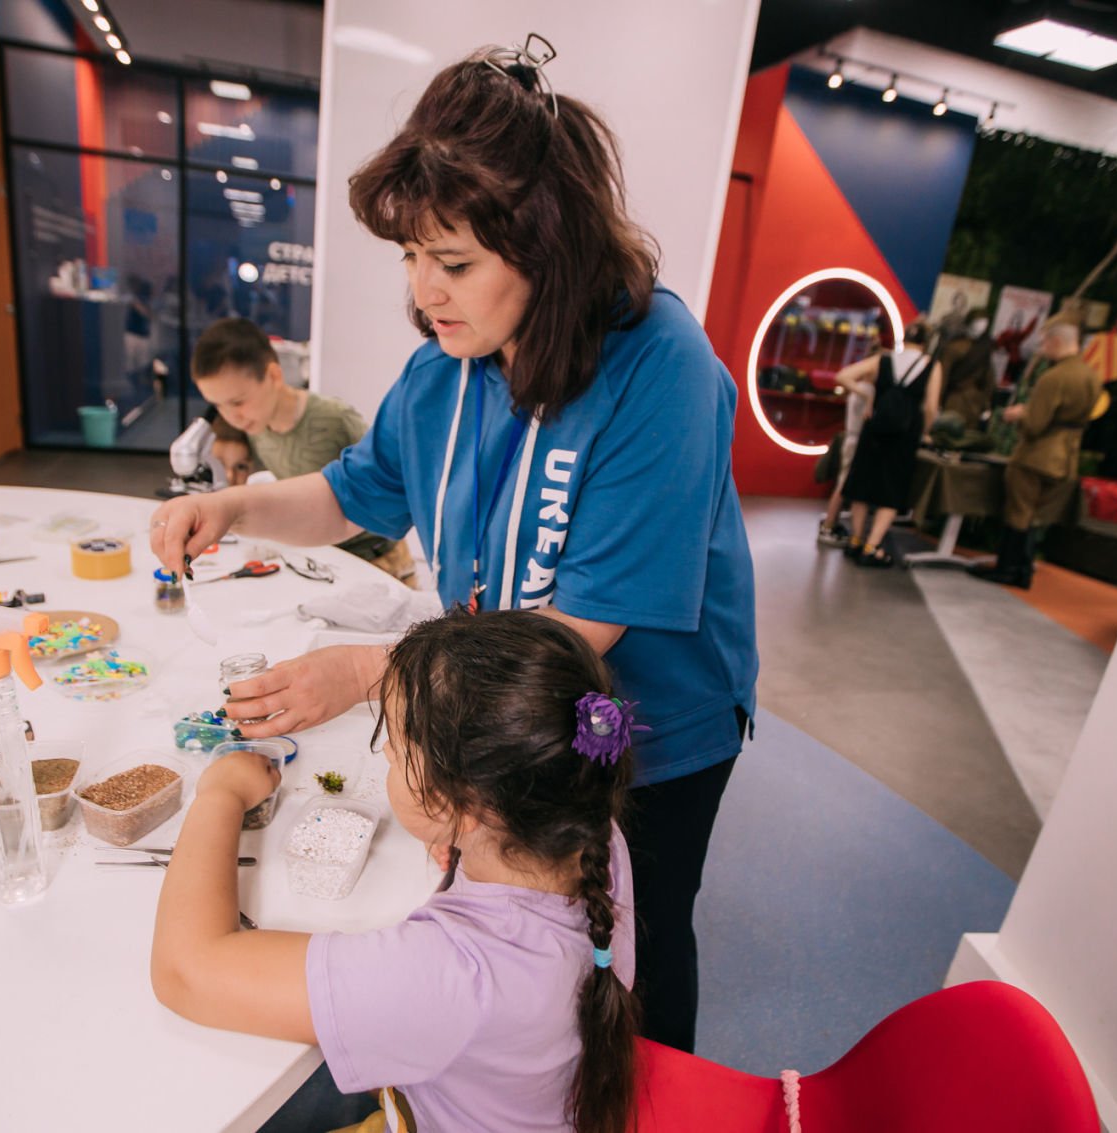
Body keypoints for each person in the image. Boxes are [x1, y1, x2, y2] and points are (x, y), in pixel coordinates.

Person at [149, 39, 757, 1053]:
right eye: (409, 256)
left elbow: (580, 629)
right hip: (502, 699)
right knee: (520, 937)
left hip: (648, 720)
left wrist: (368, 672)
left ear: (551, 248)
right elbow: (351, 493)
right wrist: (236, 507)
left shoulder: (660, 369)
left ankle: (649, 1091)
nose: (423, 291)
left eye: (455, 263)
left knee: (635, 937)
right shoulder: (448, 367)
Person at [151, 610, 638, 1133]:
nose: (386, 749)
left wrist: (220, 795)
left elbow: (185, 973)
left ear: (456, 803)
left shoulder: (453, 978)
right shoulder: (589, 831)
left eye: (397, 747)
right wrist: (457, 834)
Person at [192, 316, 416, 583]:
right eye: (219, 405)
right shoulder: (255, 426)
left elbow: (388, 483)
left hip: (380, 560)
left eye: (238, 402)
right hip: (326, 558)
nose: (231, 416)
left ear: (273, 375)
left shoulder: (334, 419)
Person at [969, 323, 1103, 589]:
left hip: (1037, 455)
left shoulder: (1054, 377)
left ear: (1055, 341)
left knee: (1019, 512)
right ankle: (1022, 569)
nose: (1042, 349)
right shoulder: (1091, 376)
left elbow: (1035, 424)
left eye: (1044, 343)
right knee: (1034, 516)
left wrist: (1019, 414)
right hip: (1066, 455)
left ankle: (1008, 569)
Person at [835, 322, 942, 567]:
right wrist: (925, 431)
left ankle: (855, 540)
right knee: (892, 490)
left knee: (862, 484)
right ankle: (872, 546)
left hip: (874, 429)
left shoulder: (883, 360)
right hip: (905, 435)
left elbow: (843, 376)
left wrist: (867, 394)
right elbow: (931, 407)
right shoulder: (931, 366)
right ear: (926, 342)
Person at [816, 341, 878, 547]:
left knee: (843, 482)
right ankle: (829, 524)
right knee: (844, 484)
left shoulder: (860, 389)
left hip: (852, 438)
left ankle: (830, 523)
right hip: (856, 440)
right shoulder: (867, 391)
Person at [938, 310, 995, 429]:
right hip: (955, 398)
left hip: (974, 400)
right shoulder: (955, 346)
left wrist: (986, 404)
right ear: (970, 322)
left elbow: (989, 378)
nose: (981, 326)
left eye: (984, 323)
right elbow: (943, 376)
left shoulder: (985, 347)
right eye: (978, 322)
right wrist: (937, 400)